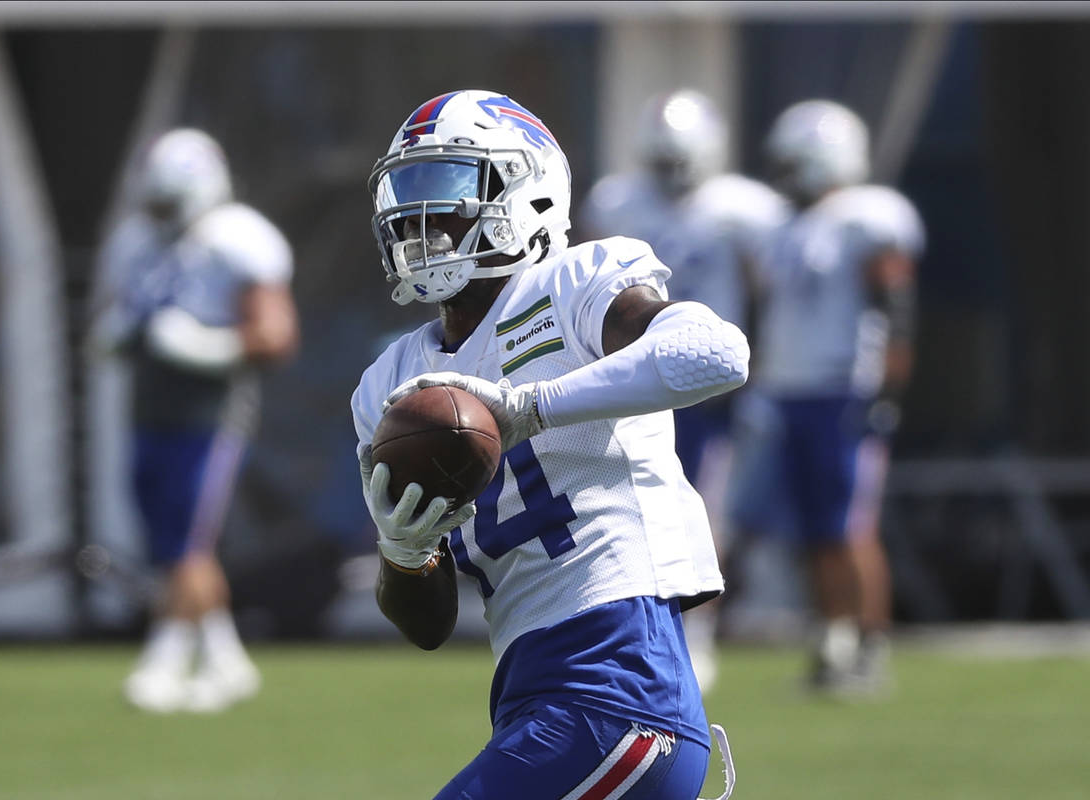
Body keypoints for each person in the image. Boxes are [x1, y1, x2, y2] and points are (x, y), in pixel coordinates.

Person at [352, 89, 743, 799]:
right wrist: (403, 553)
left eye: (447, 186)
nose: (421, 215)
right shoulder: (391, 380)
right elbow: (428, 626)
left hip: (617, 683)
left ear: (527, 193)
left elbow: (716, 353)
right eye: (407, 191)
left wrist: (532, 407)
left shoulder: (575, 285)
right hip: (529, 697)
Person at [579, 89, 787, 693]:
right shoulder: (619, 200)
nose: (673, 175)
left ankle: (695, 633)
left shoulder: (743, 208)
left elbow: (768, 290)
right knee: (622, 507)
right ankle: (631, 632)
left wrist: (757, 363)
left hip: (705, 388)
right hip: (629, 382)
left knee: (703, 509)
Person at [91, 128, 300, 713]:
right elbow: (113, 316)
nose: (158, 213)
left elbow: (276, 335)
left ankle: (165, 656)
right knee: (170, 540)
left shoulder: (238, 238)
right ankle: (227, 659)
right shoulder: (135, 240)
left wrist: (209, 345)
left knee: (187, 539)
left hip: (210, 409)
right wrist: (117, 334)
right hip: (148, 407)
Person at [742, 99, 924, 693]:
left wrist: (889, 388)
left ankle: (869, 645)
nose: (787, 174)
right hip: (790, 392)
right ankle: (833, 641)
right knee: (813, 529)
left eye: (796, 162)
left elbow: (896, 309)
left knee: (850, 526)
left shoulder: (866, 216)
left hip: (843, 391)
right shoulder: (786, 225)